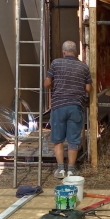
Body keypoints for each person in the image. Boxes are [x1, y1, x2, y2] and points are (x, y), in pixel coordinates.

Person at [44, 41, 92, 178]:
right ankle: (71, 169)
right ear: (76, 52)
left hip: (59, 106)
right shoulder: (84, 67)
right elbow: (88, 88)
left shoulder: (56, 63)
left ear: (64, 52)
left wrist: (56, 86)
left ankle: (60, 170)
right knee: (73, 140)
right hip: (76, 106)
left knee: (58, 139)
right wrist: (76, 87)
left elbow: (47, 83)